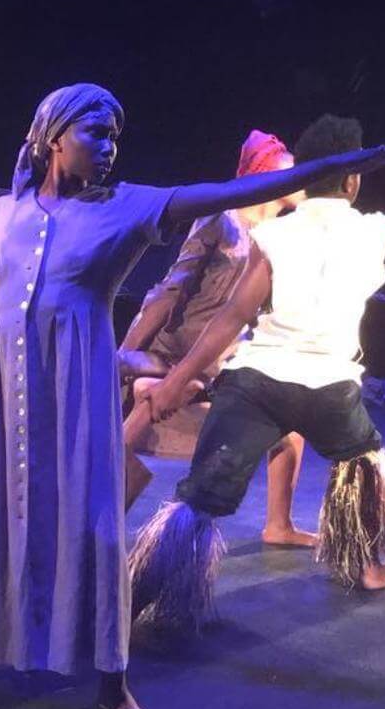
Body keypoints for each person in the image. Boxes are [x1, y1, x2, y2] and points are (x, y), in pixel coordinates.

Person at [0, 86, 385, 709]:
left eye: (115, 138)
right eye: (95, 133)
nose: (108, 149)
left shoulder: (128, 208)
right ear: (53, 135)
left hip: (73, 387)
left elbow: (227, 193)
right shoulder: (1, 216)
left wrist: (328, 170)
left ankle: (112, 688)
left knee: (94, 525)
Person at [132, 114, 385, 633]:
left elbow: (232, 317)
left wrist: (178, 378)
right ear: (352, 179)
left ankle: (141, 598)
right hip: (331, 390)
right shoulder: (375, 228)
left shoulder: (276, 236)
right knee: (362, 464)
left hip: (257, 382)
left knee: (199, 500)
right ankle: (371, 566)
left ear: (302, 177)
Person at [119, 131, 313, 546]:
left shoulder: (283, 236)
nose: (300, 179)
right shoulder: (221, 219)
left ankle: (278, 525)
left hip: (226, 362)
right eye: (289, 170)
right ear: (265, 176)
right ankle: (101, 518)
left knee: (290, 425)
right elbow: (170, 289)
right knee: (147, 404)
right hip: (178, 354)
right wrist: (126, 352)